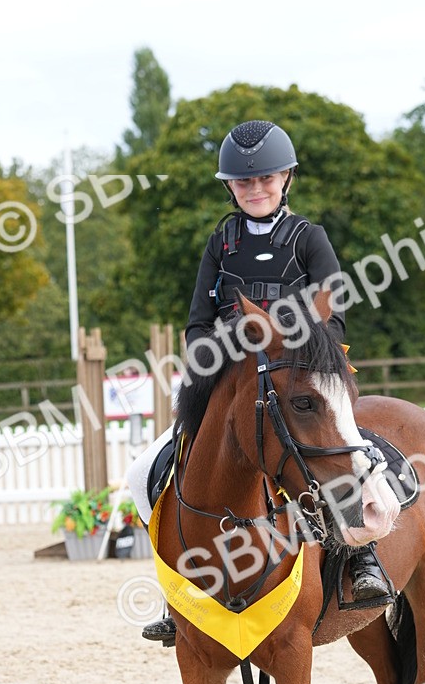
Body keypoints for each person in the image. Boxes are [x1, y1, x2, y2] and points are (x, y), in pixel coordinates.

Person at [128, 119, 390, 644]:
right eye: (244, 182)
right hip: (231, 380)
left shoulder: (309, 238)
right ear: (230, 186)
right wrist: (223, 354)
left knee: (343, 455)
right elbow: (198, 322)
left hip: (298, 376)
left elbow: (333, 317)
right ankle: (176, 590)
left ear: (286, 178)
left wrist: (287, 345)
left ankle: (363, 558)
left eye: (265, 179)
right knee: (143, 471)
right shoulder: (220, 241)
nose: (255, 189)